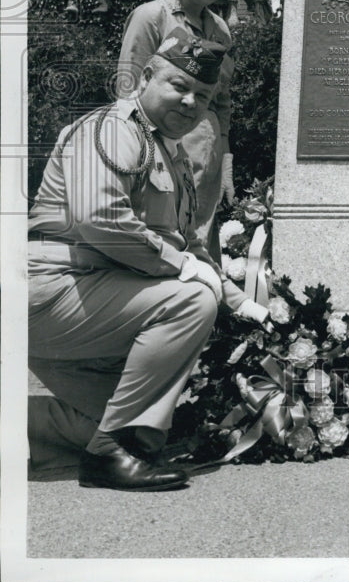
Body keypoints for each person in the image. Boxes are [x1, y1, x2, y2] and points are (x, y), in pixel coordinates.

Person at [27, 29, 268, 490]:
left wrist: (245, 304)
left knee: (133, 425)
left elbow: (189, 247)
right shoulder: (112, 129)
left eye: (202, 94)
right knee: (191, 301)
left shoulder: (169, 154)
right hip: (52, 289)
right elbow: (100, 219)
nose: (190, 102)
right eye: (179, 86)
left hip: (90, 298)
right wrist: (184, 271)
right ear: (146, 77)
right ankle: (107, 459)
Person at [118, 0, 239, 263]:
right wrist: (138, 162)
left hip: (208, 156)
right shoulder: (150, 17)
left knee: (201, 246)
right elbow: (127, 94)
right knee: (165, 247)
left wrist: (226, 156)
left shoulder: (220, 29)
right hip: (159, 156)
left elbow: (222, 100)